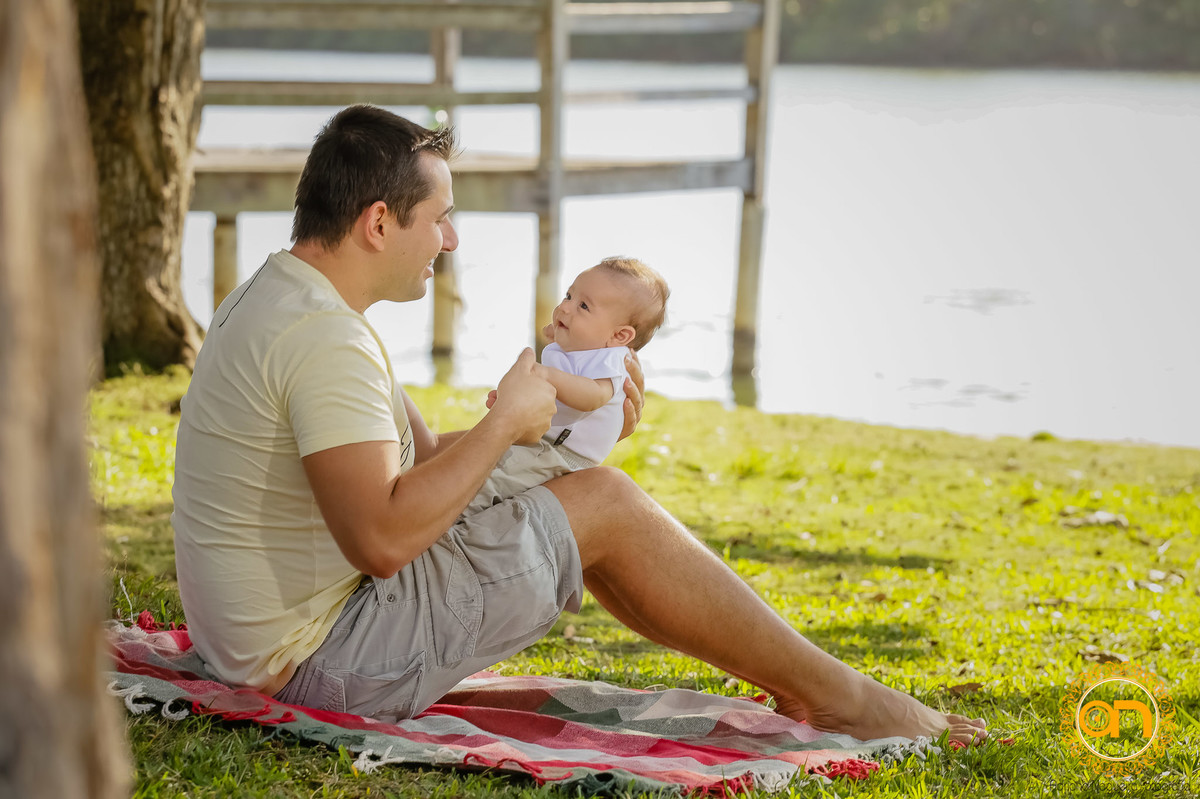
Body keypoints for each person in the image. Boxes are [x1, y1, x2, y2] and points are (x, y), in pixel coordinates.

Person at [172, 104, 988, 745]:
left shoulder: (283, 298)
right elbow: (381, 540)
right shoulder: (326, 341)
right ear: (379, 222)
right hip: (325, 664)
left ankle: (813, 687)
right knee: (606, 502)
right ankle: (846, 698)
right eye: (439, 217)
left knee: (592, 492)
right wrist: (505, 424)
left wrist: (558, 433)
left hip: (272, 646)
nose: (450, 239)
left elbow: (418, 463)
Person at [466, 257, 668, 516]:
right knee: (494, 466)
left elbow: (594, 397)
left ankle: (464, 509)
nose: (564, 307)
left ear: (619, 335)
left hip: (563, 454)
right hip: (547, 443)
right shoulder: (588, 346)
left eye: (583, 306)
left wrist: (547, 374)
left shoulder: (612, 360)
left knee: (496, 479)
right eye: (569, 295)